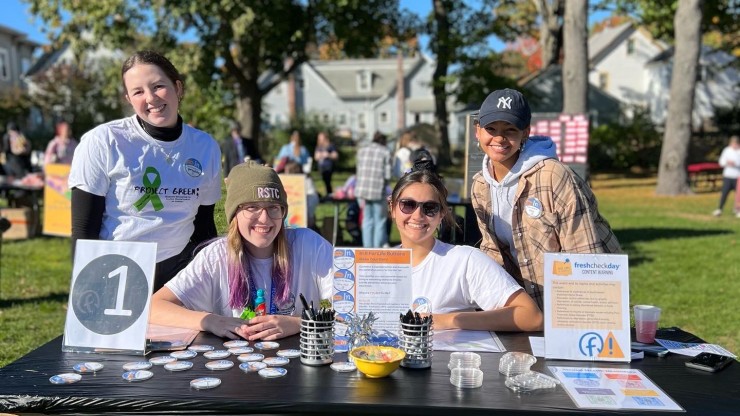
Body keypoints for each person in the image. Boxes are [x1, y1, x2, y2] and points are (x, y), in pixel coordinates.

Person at [68, 50, 222, 292]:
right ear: (129, 99)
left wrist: (208, 281)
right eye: (138, 91)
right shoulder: (103, 141)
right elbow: (84, 230)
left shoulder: (205, 147)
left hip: (180, 271)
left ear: (178, 88)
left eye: (159, 86)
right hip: (118, 269)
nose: (150, 98)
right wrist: (86, 290)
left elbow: (204, 226)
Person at [471, 88, 621, 311]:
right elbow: (494, 252)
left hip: (579, 301)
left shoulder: (554, 176)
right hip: (528, 307)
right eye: (491, 129)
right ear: (477, 131)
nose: (499, 138)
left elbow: (586, 256)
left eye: (510, 130)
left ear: (526, 133)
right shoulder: (480, 185)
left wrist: (576, 319)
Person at [150, 161, 333, 340]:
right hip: (235, 366)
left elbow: (355, 308)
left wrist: (299, 323)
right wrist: (211, 321)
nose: (264, 219)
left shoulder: (309, 245)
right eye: (252, 207)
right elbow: (154, 308)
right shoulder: (215, 256)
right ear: (234, 214)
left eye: (273, 207)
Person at [389, 160, 543, 331]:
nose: (418, 215)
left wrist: (445, 321)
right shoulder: (374, 266)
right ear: (393, 208)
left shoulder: (464, 260)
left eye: (429, 208)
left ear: (442, 214)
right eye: (408, 205)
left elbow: (531, 316)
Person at [356, 131, 392, 248]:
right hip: (378, 189)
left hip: (363, 190)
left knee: (367, 220)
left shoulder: (362, 150)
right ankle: (376, 249)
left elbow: (359, 170)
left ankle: (367, 248)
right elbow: (388, 175)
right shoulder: (385, 152)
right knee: (380, 220)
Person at [283, 161, 320, 229]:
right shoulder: (286, 182)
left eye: (287, 171)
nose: (285, 173)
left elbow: (313, 198)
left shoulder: (307, 180)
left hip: (305, 213)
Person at [713, 135, 740, 217]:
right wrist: (727, 163)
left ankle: (737, 209)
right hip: (728, 175)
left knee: (738, 195)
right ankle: (719, 209)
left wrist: (735, 163)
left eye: (736, 144)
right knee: (724, 193)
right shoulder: (727, 150)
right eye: (733, 143)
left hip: (737, 176)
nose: (734, 145)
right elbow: (721, 162)